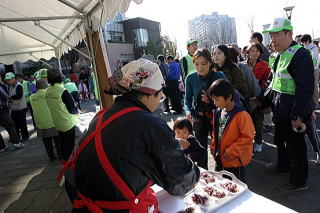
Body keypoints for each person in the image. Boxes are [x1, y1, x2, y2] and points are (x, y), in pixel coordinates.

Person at [63, 58, 199, 212]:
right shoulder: (149, 123)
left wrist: (169, 146)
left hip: (80, 198)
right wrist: (195, 173)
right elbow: (179, 180)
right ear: (148, 93)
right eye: (160, 94)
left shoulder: (105, 114)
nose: (160, 100)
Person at [253, 18, 314, 191]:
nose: (273, 39)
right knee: (280, 141)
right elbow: (273, 83)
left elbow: (305, 89)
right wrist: (260, 98)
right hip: (280, 110)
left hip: (292, 112)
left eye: (276, 35)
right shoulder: (279, 56)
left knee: (296, 147)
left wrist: (297, 115)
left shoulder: (300, 54)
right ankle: (283, 167)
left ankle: (298, 181)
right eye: (271, 36)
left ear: (289, 34)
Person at [184, 48, 226, 169]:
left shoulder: (219, 75)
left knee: (218, 146)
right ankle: (203, 175)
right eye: (196, 64)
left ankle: (220, 173)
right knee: (200, 149)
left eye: (203, 63)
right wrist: (188, 112)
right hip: (199, 118)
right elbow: (187, 100)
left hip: (216, 117)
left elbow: (227, 96)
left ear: (209, 62)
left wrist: (211, 100)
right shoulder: (190, 78)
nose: (200, 67)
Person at [209, 79, 254, 183]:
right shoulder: (218, 112)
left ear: (229, 97)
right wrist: (213, 146)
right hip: (220, 158)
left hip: (234, 162)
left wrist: (231, 152)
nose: (215, 103)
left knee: (236, 188)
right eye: (213, 100)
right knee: (220, 185)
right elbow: (215, 132)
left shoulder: (242, 115)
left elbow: (247, 138)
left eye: (217, 100)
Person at [46, 69, 78, 161]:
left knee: (63, 144)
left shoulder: (48, 91)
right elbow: (72, 109)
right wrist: (77, 111)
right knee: (70, 146)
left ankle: (64, 161)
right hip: (67, 123)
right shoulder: (62, 90)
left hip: (57, 122)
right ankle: (70, 165)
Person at [244, 43, 271, 152]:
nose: (254, 53)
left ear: (260, 53)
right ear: (248, 52)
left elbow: (267, 81)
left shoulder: (265, 65)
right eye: (252, 51)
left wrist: (261, 93)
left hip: (258, 97)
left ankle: (258, 142)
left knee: (258, 122)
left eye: (257, 51)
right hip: (245, 97)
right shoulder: (242, 64)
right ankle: (248, 143)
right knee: (246, 122)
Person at [30, 79, 62, 161]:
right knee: (57, 140)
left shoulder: (32, 97)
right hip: (52, 120)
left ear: (37, 87)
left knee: (46, 142)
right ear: (45, 86)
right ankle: (60, 155)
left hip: (40, 123)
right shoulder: (49, 94)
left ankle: (51, 156)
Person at [0, 77, 24, 151]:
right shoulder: (2, 86)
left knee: (10, 125)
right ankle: (16, 142)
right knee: (10, 125)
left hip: (2, 109)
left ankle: (2, 146)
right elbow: (6, 96)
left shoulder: (3, 85)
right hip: (1, 109)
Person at [5, 72, 29, 142]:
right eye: (7, 80)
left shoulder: (18, 85)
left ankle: (25, 136)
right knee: (15, 124)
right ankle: (17, 136)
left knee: (22, 123)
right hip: (14, 108)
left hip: (20, 108)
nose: (7, 81)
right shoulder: (10, 86)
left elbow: (19, 95)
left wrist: (10, 98)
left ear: (13, 79)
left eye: (9, 79)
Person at [300, 34, 319, 107]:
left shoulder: (314, 48)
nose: (303, 44)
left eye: (304, 42)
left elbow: (312, 59)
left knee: (314, 86)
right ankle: (310, 103)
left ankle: (315, 103)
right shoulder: (305, 47)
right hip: (306, 69)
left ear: (308, 41)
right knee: (308, 86)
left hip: (314, 69)